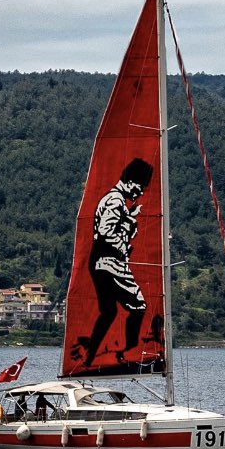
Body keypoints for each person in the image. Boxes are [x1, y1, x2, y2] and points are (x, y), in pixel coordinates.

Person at [81, 157, 161, 369]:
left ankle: (90, 357)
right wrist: (123, 246)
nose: (141, 192)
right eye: (139, 186)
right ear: (128, 181)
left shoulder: (115, 201)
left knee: (109, 312)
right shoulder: (115, 201)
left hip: (99, 262)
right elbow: (106, 232)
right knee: (139, 305)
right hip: (110, 262)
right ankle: (129, 352)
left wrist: (129, 217)